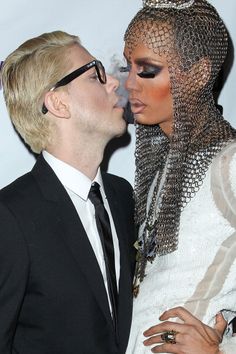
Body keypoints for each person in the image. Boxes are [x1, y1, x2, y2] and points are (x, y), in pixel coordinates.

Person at [0, 30, 136, 354]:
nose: (114, 83)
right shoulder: (10, 218)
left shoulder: (122, 195)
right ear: (59, 103)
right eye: (95, 75)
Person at [121, 0, 236, 353]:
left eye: (147, 70)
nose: (129, 84)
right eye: (128, 67)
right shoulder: (161, 166)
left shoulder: (230, 163)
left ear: (199, 73)